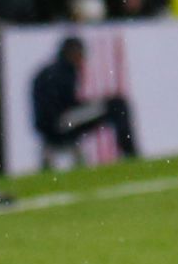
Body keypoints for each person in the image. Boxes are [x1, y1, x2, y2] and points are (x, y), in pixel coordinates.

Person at [30, 29, 141, 167]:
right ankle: (131, 154)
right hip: (60, 123)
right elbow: (67, 105)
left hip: (49, 125)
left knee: (111, 105)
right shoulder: (65, 72)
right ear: (73, 54)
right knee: (117, 105)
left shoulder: (49, 71)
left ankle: (130, 153)